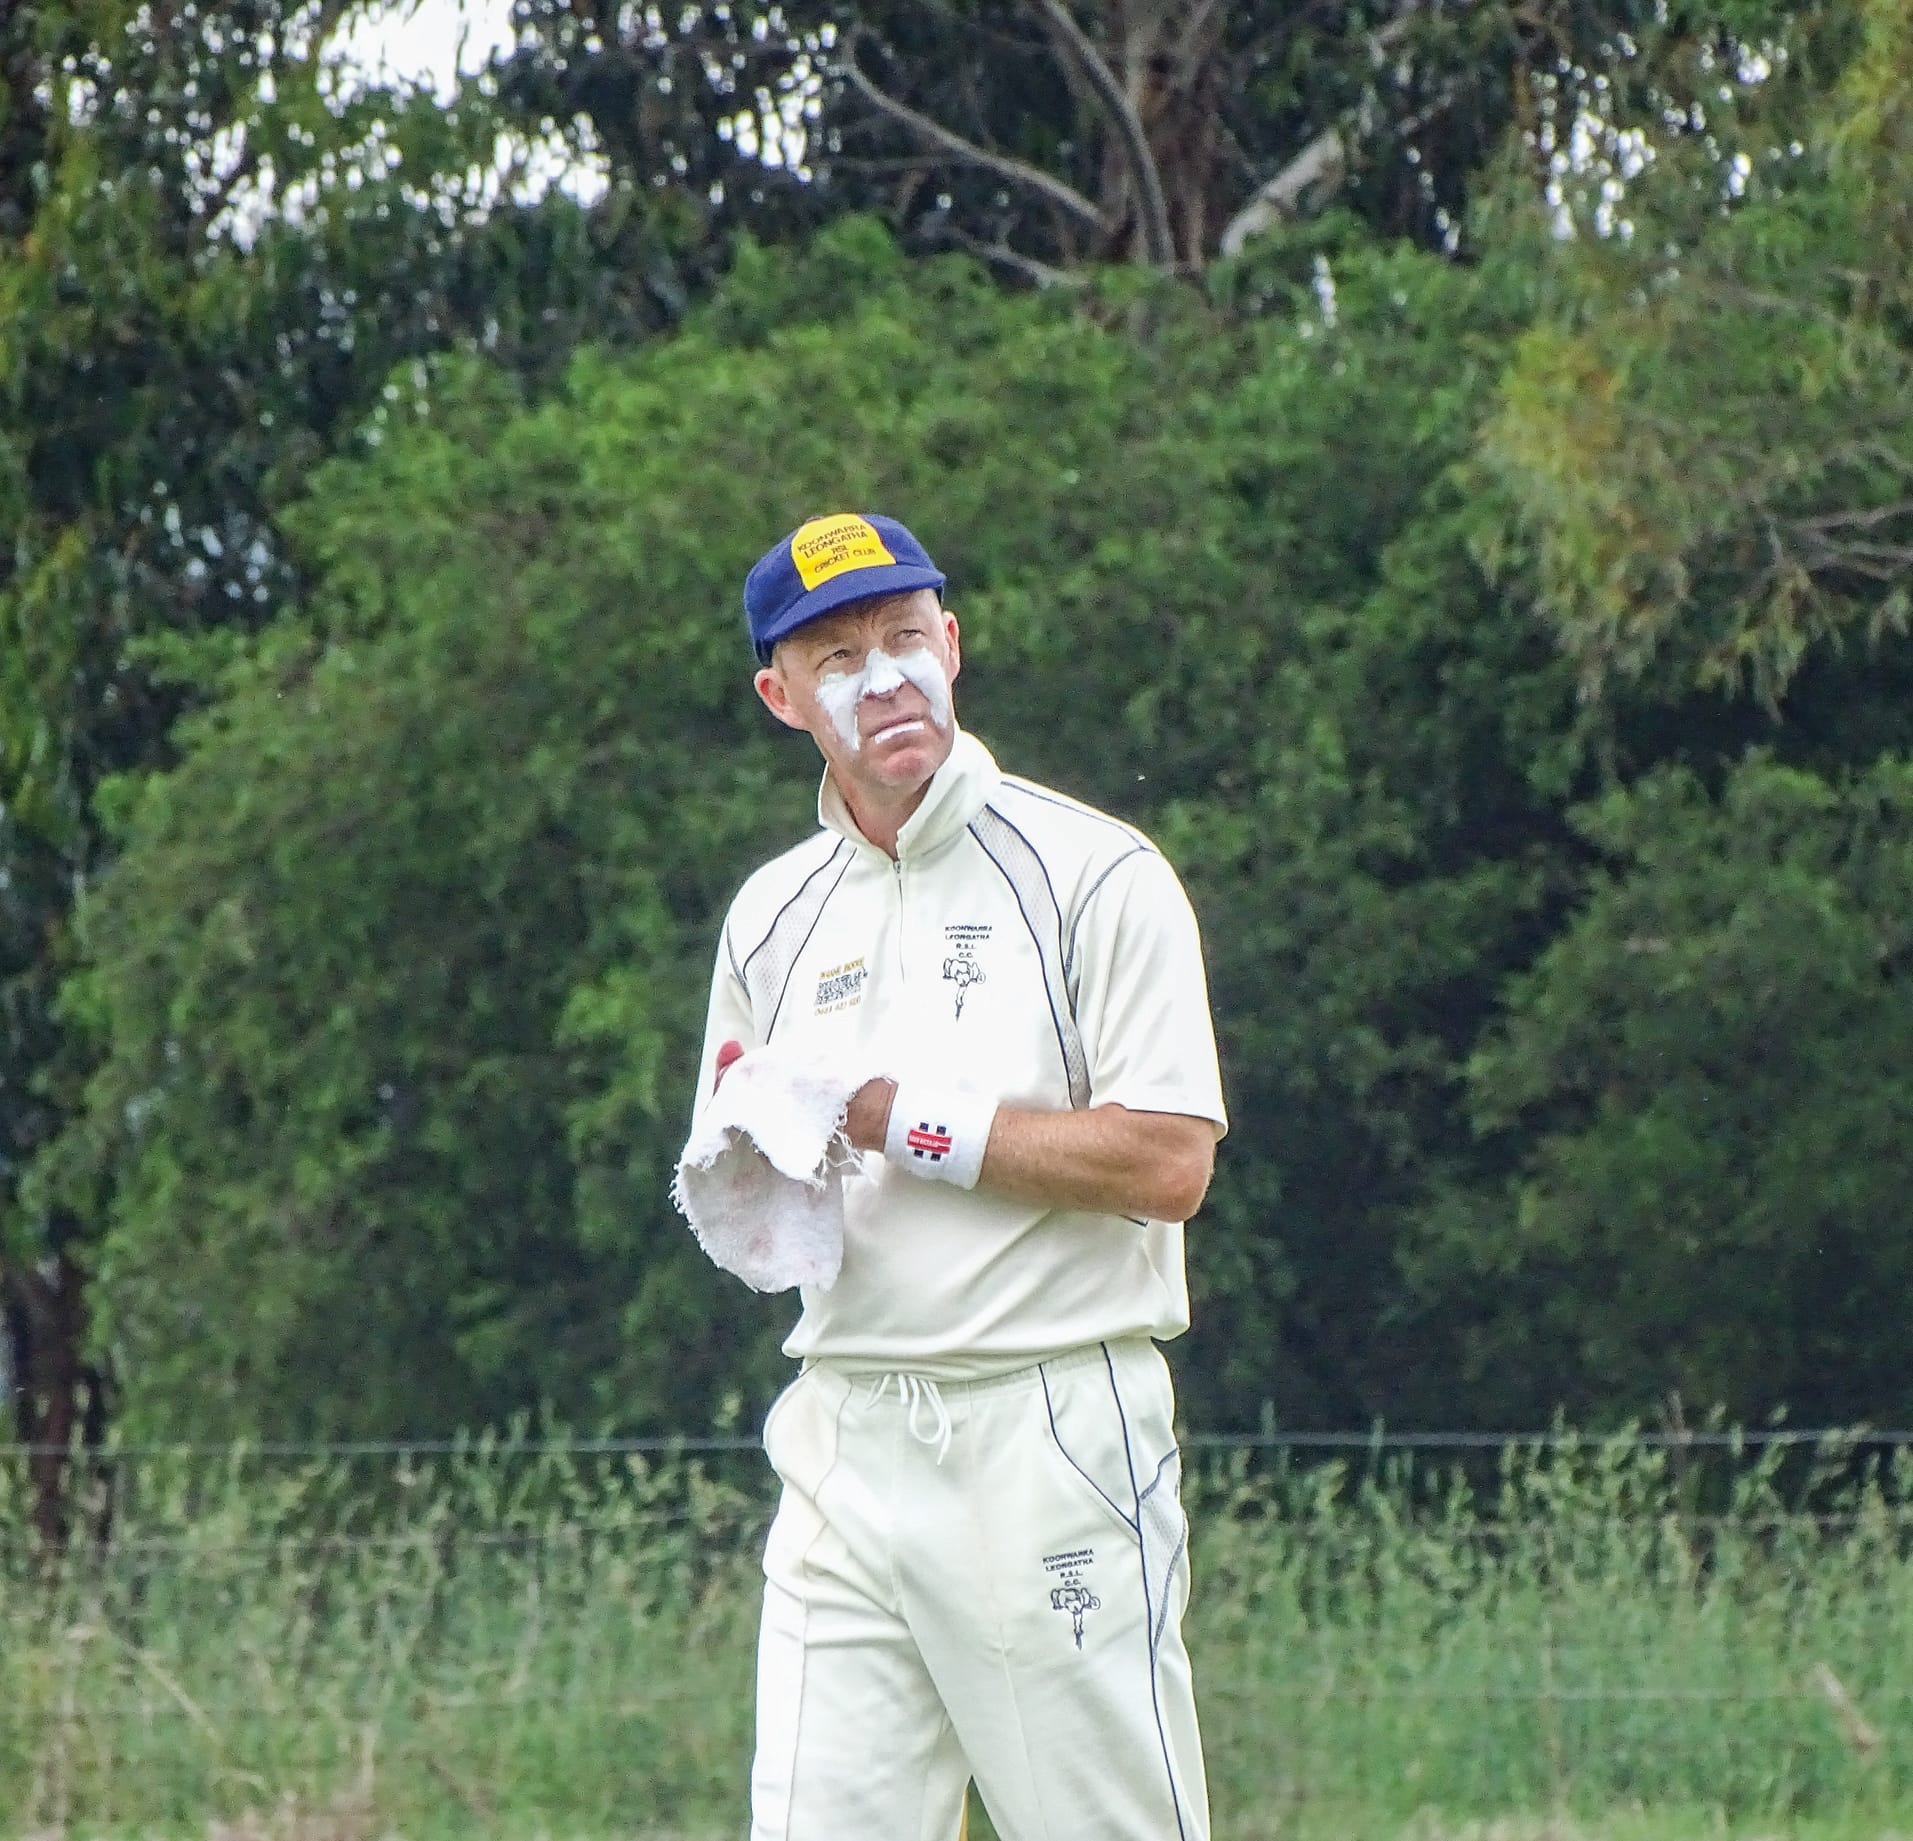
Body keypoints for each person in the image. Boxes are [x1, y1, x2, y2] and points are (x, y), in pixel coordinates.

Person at [691, 511, 1228, 1841]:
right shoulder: (771, 912)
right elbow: (764, 1174)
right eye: (836, 658)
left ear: (953, 645)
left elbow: (1166, 1161)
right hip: (846, 1433)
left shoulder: (1094, 872)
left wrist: (890, 1116)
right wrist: (752, 1172)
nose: (883, 681)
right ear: (781, 697)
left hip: (1046, 1419)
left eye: (903, 639)